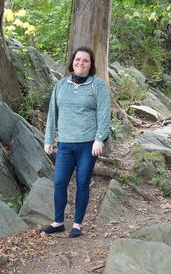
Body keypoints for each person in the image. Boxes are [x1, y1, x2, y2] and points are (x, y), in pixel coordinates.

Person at [43, 46, 110, 238]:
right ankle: (58, 222)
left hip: (88, 145)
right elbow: (52, 114)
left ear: (91, 65)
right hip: (65, 143)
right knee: (59, 182)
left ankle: (77, 224)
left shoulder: (98, 86)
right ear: (72, 61)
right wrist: (49, 139)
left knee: (82, 182)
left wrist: (99, 139)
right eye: (77, 60)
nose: (81, 63)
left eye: (85, 61)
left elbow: (104, 115)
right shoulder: (61, 85)